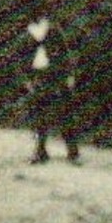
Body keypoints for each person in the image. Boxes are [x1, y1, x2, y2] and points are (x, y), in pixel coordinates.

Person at [21, 14, 80, 165]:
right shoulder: (29, 32)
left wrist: (68, 76)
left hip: (55, 76)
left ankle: (72, 151)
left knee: (62, 113)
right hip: (38, 76)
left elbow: (65, 54)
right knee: (39, 113)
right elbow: (24, 57)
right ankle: (40, 152)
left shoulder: (53, 30)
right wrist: (27, 79)